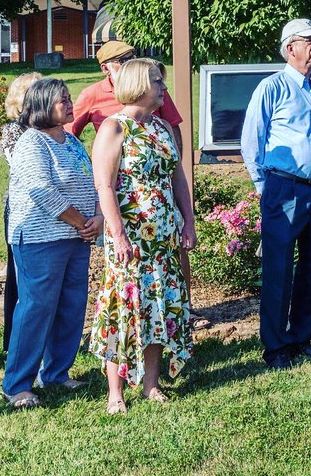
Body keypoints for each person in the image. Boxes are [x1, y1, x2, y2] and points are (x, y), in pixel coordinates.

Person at [90, 59, 196, 411]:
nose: (163, 87)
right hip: (131, 238)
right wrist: (118, 235)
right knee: (125, 309)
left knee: (157, 306)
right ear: (138, 84)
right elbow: (104, 186)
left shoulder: (162, 128)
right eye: (156, 81)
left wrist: (189, 221)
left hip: (163, 236)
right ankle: (115, 393)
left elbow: (177, 178)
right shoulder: (114, 128)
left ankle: (151, 384)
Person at [240, 19, 311, 369]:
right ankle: (276, 347)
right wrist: (265, 188)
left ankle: (302, 339)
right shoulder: (272, 88)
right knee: (279, 269)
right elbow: (251, 142)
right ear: (289, 47)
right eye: (309, 41)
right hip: (283, 189)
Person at [3, 78, 102, 408]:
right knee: (35, 309)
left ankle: (57, 373)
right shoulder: (32, 144)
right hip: (39, 239)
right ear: (43, 105)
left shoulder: (71, 141)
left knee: (71, 306)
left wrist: (96, 218)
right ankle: (17, 384)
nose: (70, 104)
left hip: (76, 237)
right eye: (63, 100)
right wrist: (81, 222)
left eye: (69, 98)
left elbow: (93, 182)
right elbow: (41, 191)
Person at [0, 71, 42, 353]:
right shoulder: (15, 131)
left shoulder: (51, 130)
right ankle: (18, 341)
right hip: (24, 213)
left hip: (51, 217)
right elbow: (27, 170)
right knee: (21, 279)